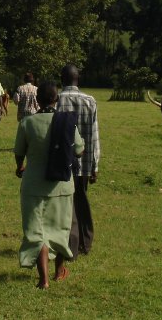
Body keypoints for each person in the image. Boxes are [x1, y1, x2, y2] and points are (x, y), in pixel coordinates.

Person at [14, 81, 84, 289]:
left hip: (33, 186)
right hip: (61, 185)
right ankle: (59, 272)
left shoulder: (27, 123)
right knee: (60, 230)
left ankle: (43, 280)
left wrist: (20, 167)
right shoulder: (66, 122)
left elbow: (19, 153)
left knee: (36, 232)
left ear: (37, 100)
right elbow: (79, 150)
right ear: (57, 99)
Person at [57, 64, 100, 259]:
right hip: (84, 163)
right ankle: (86, 242)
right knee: (81, 200)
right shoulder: (90, 101)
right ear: (77, 79)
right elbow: (95, 135)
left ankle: (69, 244)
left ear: (61, 79)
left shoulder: (56, 100)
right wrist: (95, 165)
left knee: (65, 204)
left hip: (61, 161)